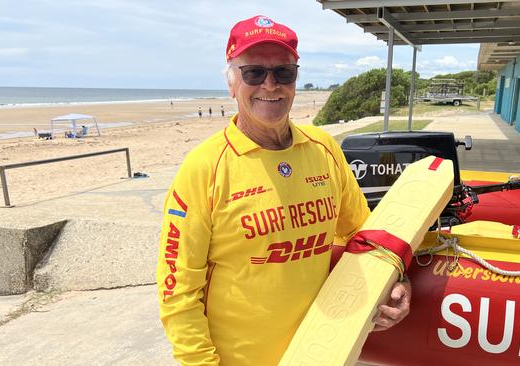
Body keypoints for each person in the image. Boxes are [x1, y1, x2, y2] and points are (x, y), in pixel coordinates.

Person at [157, 15, 411, 366]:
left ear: (295, 80)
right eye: (254, 73)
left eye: (283, 73)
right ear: (232, 82)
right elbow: (177, 290)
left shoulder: (323, 148)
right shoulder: (204, 168)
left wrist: (398, 279)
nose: (270, 85)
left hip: (323, 352)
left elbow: (364, 234)